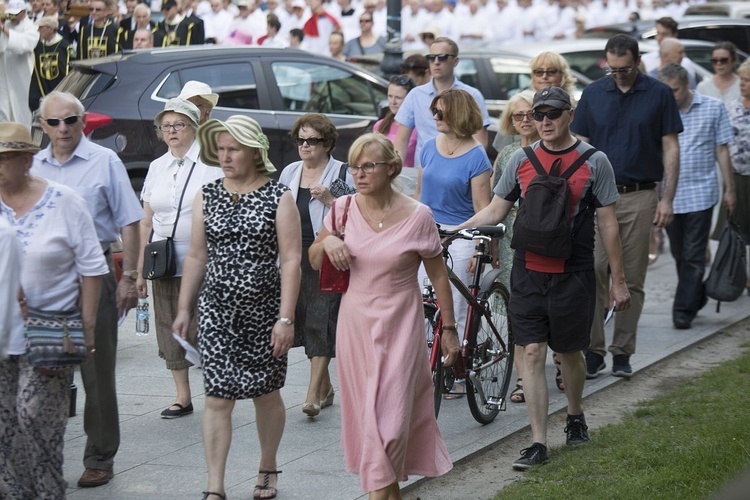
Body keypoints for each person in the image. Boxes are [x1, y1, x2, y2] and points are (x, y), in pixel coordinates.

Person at [462, 86, 630, 470]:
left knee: (569, 354)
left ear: (569, 114)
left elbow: (608, 224)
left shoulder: (595, 160)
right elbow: (495, 210)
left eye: (553, 113)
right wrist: (455, 229)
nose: (545, 121)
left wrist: (618, 281)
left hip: (574, 274)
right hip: (528, 272)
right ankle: (538, 441)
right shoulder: (519, 160)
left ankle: (574, 414)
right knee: (532, 351)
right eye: (539, 115)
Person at [308, 133, 460, 498]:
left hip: (402, 325)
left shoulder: (419, 215)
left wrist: (450, 328)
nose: (359, 173)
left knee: (391, 426)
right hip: (356, 325)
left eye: (368, 166)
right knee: (370, 423)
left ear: (391, 168)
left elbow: (438, 274)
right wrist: (327, 241)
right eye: (355, 166)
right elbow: (315, 259)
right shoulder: (341, 209)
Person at [172, 115, 301, 500]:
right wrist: (184, 309)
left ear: (254, 153)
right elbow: (196, 255)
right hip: (217, 311)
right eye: (221, 149)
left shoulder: (278, 196)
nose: (224, 156)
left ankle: (267, 467)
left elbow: (291, 260)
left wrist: (285, 318)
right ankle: (215, 486)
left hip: (264, 312)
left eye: (233, 149)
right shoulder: (207, 194)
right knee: (216, 396)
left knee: (265, 393)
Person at [32, 90, 144, 488]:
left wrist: (130, 276)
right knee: (44, 366)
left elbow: (130, 220)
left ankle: (100, 455)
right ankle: (44, 450)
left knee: (96, 369)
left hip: (94, 268)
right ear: (42, 126)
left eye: (70, 120)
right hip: (44, 274)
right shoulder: (32, 165)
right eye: (54, 122)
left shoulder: (104, 161)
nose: (63, 129)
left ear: (82, 121)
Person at [0, 121, 108, 498]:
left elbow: (93, 266)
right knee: (4, 427)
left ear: (27, 159)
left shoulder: (63, 200)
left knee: (35, 421)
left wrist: (88, 326)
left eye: (5, 158)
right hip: (1, 333)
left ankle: (47, 492)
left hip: (49, 331)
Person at [571, 34, 682, 379]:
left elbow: (671, 147)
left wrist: (667, 198)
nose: (618, 74)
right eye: (612, 68)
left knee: (631, 277)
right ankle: (593, 349)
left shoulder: (659, 93)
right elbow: (581, 145)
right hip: (596, 197)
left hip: (639, 194)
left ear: (637, 62)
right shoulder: (593, 93)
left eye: (625, 68)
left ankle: (622, 351)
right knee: (592, 271)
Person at [136, 98, 223, 419]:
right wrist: (140, 267)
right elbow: (146, 218)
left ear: (194, 127)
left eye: (179, 124)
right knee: (168, 323)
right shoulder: (157, 166)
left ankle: (217, 389)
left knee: (206, 324)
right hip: (163, 259)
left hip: (205, 259)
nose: (171, 131)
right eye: (166, 126)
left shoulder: (211, 164)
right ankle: (182, 396)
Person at [279, 113, 354, 418]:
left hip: (326, 253)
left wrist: (329, 198)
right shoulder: (290, 172)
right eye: (301, 140)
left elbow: (356, 210)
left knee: (320, 320)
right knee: (300, 319)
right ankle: (326, 388)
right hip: (293, 256)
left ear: (327, 144)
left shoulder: (342, 172)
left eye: (312, 140)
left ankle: (312, 396)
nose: (305, 146)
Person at [417, 88, 492, 397]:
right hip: (427, 230)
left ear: (457, 115)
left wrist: (477, 245)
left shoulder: (476, 156)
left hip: (461, 232)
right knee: (421, 300)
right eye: (434, 111)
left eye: (441, 112)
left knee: (456, 305)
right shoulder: (429, 147)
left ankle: (457, 369)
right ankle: (424, 366)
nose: (435, 117)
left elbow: (483, 208)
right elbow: (418, 196)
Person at [657, 63, 735, 330]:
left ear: (686, 86)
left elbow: (722, 150)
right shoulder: (659, 112)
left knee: (693, 254)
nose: (670, 97)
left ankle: (682, 310)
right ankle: (696, 294)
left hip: (701, 193)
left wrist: (730, 189)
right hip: (670, 197)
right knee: (680, 253)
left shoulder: (712, 108)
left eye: (675, 91)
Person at [491, 89, 539, 404]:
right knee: (516, 308)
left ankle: (562, 362)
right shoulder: (506, 155)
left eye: (530, 114)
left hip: (542, 237)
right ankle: (523, 377)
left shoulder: (551, 152)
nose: (524, 120)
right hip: (510, 237)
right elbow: (495, 203)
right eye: (517, 115)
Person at [394, 37, 491, 168]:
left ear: (455, 61)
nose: (436, 62)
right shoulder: (415, 94)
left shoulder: (472, 95)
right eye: (431, 57)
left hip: (459, 172)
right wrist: (395, 173)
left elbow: (480, 142)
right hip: (424, 171)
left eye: (442, 57)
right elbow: (401, 140)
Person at [714, 60, 750, 292]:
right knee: (738, 229)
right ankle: (740, 276)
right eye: (743, 80)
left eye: (748, 81)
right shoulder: (731, 107)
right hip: (737, 177)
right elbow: (723, 144)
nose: (744, 85)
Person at [0, 0, 39, 125]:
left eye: (14, 14)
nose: (11, 17)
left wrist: (3, 29)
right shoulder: (7, 24)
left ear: (23, 13)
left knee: (22, 110)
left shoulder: (32, 27)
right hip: (5, 75)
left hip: (22, 78)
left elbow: (24, 45)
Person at [29, 15, 71, 112]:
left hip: (60, 91)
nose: (38, 30)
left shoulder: (65, 47)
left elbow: (66, 72)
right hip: (43, 90)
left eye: (41, 28)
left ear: (50, 29)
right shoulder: (38, 47)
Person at [374, 74, 417, 168]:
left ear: (409, 99)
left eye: (398, 97)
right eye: (390, 96)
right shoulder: (380, 125)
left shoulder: (417, 128)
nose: (393, 102)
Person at [696, 41, 742, 105]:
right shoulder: (703, 87)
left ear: (733, 60)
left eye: (723, 60)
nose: (719, 63)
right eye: (714, 60)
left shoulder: (742, 85)